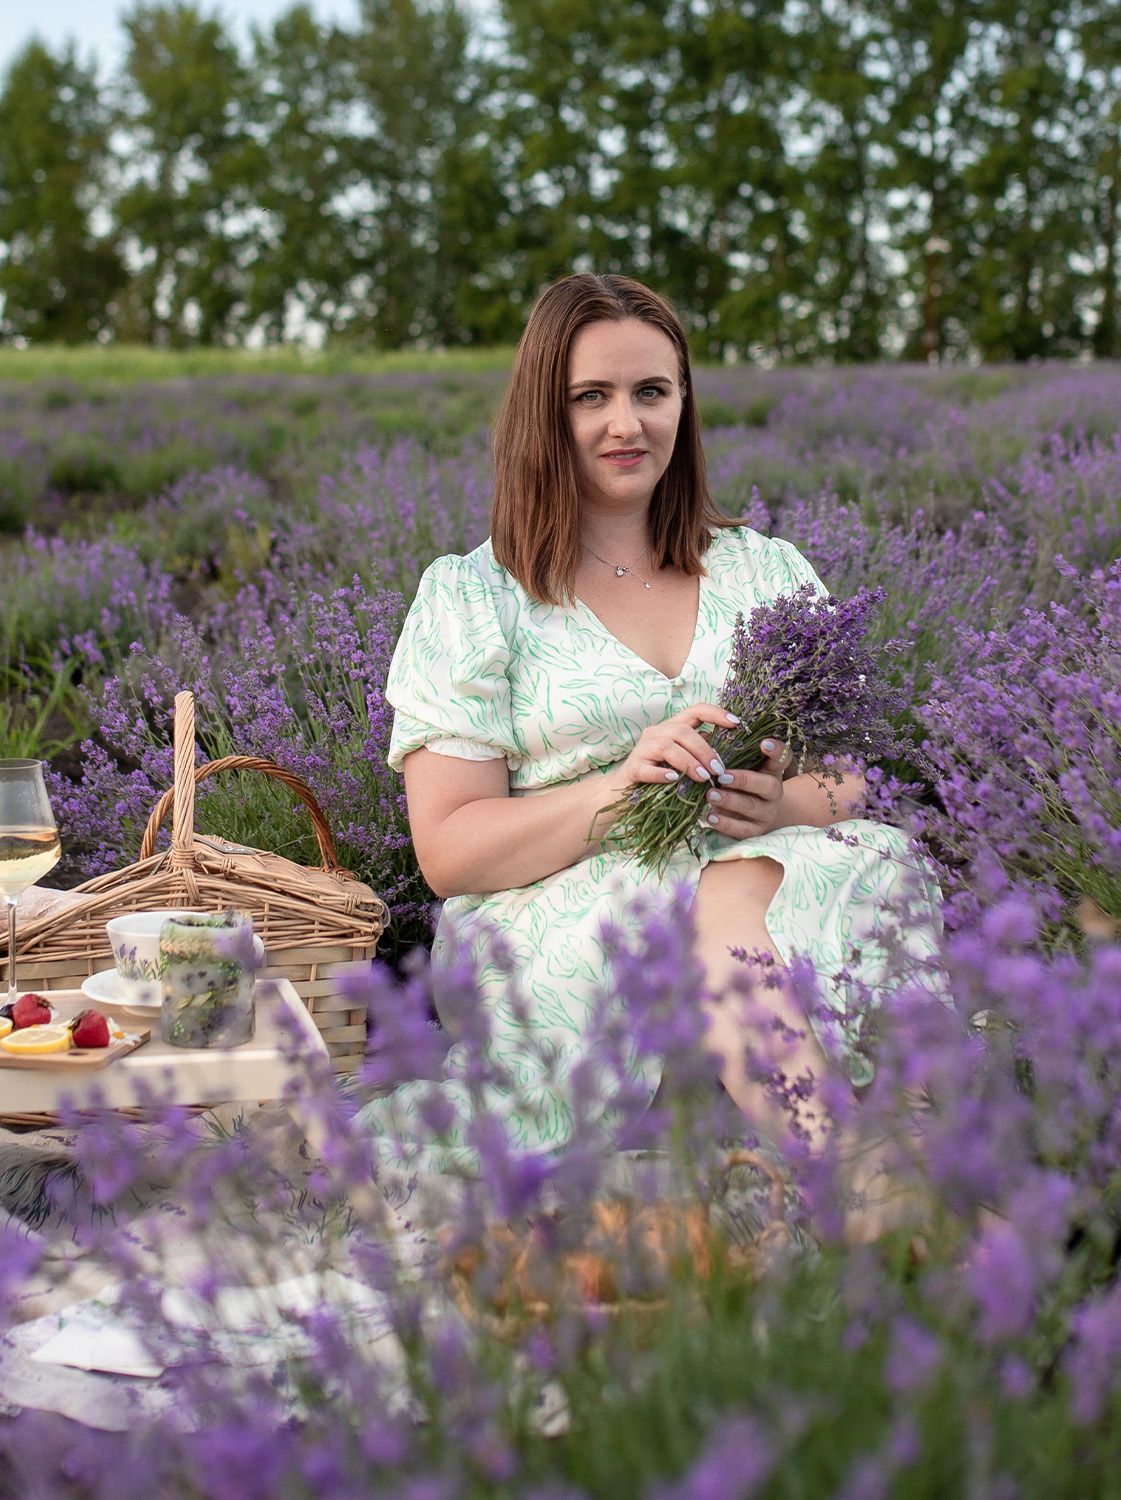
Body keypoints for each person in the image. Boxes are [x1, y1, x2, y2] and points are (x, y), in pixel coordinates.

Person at [360, 274, 942, 1235]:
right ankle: (866, 1181)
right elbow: (451, 850)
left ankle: (880, 1177)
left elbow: (851, 776)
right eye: (590, 397)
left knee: (757, 879)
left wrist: (780, 804)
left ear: (683, 401)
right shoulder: (475, 597)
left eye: (651, 392)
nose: (625, 423)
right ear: (544, 413)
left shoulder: (767, 570)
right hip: (565, 904)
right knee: (718, 896)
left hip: (772, 869)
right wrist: (619, 790)